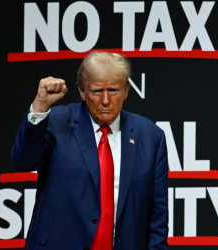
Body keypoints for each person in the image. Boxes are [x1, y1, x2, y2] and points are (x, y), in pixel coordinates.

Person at [11, 51, 169, 250]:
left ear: (126, 91)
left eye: (113, 90)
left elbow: (158, 217)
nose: (105, 100)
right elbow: (23, 161)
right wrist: (40, 106)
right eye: (96, 91)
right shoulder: (57, 122)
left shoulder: (151, 137)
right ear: (82, 91)